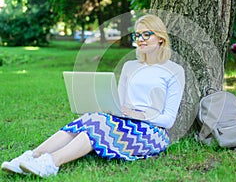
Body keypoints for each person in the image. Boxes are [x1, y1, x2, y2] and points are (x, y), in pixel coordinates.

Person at [1, 14, 185, 177]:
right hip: (125, 120)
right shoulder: (130, 66)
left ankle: (51, 163)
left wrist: (141, 115)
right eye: (138, 35)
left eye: (147, 34)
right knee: (92, 118)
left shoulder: (174, 71)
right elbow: (118, 101)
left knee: (99, 125)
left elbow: (168, 120)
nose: (141, 39)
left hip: (153, 132)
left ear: (160, 39)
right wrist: (112, 108)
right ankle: (32, 156)